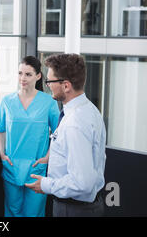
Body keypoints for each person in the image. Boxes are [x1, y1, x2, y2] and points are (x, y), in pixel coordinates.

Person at [25, 53, 106, 217]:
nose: (47, 85)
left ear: (66, 86)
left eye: (50, 81)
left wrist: (47, 185)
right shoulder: (89, 109)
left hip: (74, 210)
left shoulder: (74, 123)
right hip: (83, 207)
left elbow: (82, 183)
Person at [0, 56, 60, 217]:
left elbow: (59, 134)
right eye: (20, 73)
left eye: (28, 74)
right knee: (12, 211)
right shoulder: (7, 101)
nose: (23, 78)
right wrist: (2, 154)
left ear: (38, 76)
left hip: (36, 168)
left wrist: (47, 157)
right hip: (12, 166)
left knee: (34, 213)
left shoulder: (48, 102)